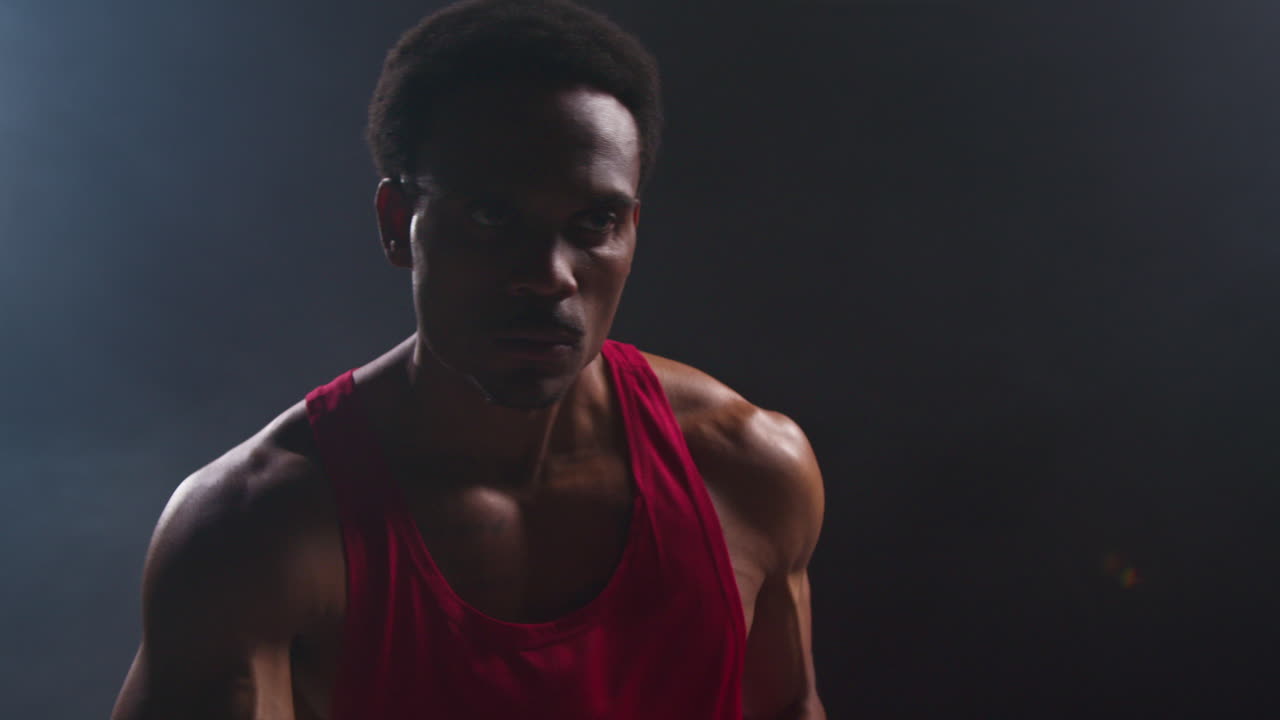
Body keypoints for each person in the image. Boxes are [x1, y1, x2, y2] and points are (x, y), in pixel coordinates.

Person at [111, 1, 826, 718]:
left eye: (593, 223)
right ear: (399, 226)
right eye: (491, 217)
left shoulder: (747, 470)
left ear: (631, 231)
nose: (549, 275)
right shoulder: (255, 531)